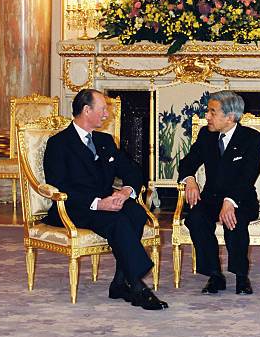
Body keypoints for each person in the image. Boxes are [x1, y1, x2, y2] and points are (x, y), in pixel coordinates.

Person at [43, 89, 168, 310]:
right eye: (102, 109)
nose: (106, 114)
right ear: (86, 110)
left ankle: (120, 282)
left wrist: (125, 192)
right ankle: (137, 285)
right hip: (75, 208)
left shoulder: (105, 140)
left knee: (136, 213)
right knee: (118, 222)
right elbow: (60, 185)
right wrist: (99, 203)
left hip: (107, 202)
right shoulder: (59, 144)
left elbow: (132, 170)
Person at [178, 91, 260, 295]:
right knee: (196, 218)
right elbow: (187, 162)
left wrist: (230, 201)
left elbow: (248, 176)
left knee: (234, 220)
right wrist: (189, 179)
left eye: (212, 112)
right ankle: (215, 275)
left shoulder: (252, 139)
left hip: (241, 198)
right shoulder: (206, 135)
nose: (206, 116)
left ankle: (241, 277)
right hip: (211, 198)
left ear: (230, 117)